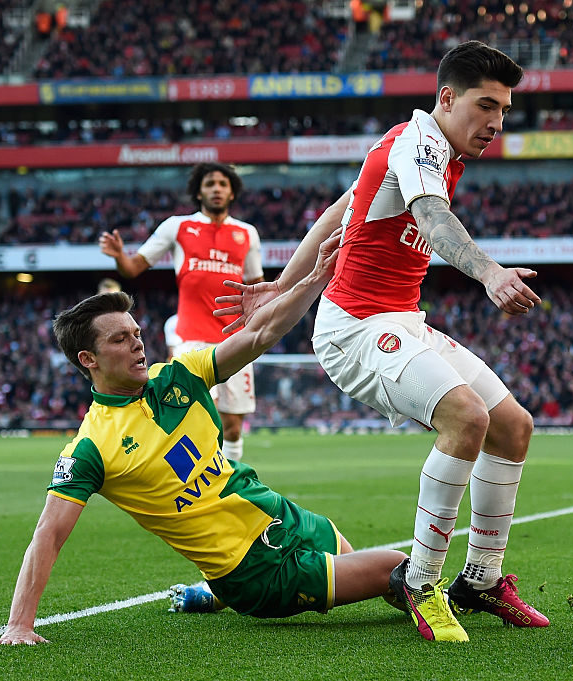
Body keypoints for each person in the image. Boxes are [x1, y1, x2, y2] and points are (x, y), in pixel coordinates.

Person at [215, 41, 547, 642]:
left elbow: (340, 211)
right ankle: (419, 584)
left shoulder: (418, 147)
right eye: (486, 105)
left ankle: (481, 579)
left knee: (512, 426)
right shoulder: (420, 142)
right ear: (446, 98)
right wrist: (491, 273)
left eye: (504, 109)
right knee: (466, 418)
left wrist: (283, 284)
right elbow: (432, 217)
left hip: (398, 319)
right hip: (356, 327)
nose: (497, 122)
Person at [0, 232, 408, 645]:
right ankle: (462, 594)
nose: (137, 344)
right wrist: (19, 625)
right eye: (119, 339)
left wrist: (315, 278)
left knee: (382, 576)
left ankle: (207, 597)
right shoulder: (90, 449)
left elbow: (259, 336)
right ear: (89, 360)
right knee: (399, 566)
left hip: (277, 511)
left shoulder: (179, 374)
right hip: (251, 572)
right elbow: (48, 533)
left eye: (136, 333)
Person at [99, 163, 262, 462]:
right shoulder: (178, 226)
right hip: (192, 339)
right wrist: (120, 256)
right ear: (199, 191)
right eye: (210, 183)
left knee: (233, 427)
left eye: (223, 184)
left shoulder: (247, 234)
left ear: (232, 192)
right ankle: (196, 483)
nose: (216, 189)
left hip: (234, 339)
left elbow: (256, 287)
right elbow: (134, 267)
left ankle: (233, 481)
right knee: (200, 418)